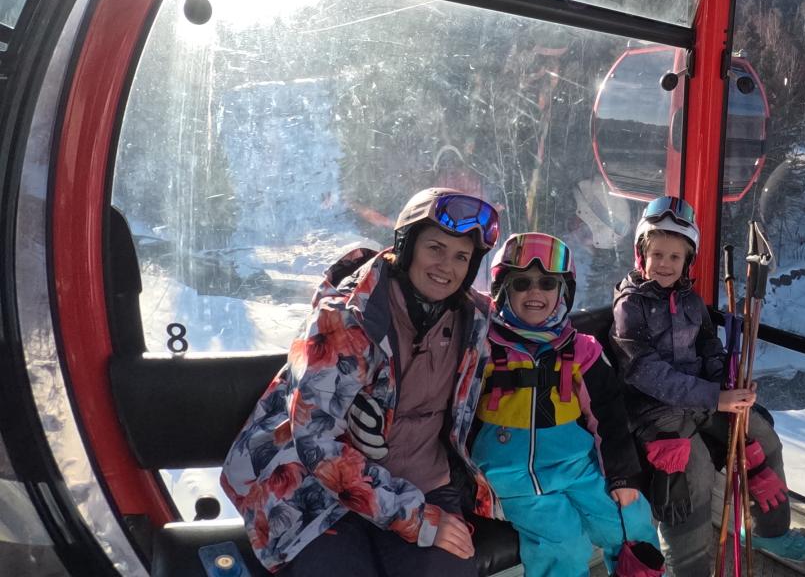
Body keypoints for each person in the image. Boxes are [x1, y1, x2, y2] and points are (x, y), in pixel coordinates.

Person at [220, 188, 501, 574]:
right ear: (407, 247)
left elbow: (538, 329)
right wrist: (416, 519)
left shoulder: (474, 320)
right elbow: (314, 440)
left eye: (461, 257)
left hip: (423, 482)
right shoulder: (343, 320)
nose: (446, 266)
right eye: (435, 248)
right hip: (315, 489)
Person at [611, 195, 805, 575]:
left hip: (703, 401)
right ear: (642, 254)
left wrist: (728, 378)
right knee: (695, 469)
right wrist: (715, 396)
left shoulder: (690, 300)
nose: (665, 265)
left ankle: (769, 529)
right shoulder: (630, 306)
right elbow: (646, 372)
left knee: (762, 434)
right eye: (657, 255)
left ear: (688, 261)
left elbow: (707, 345)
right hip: (655, 414)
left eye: (675, 257)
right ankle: (687, 568)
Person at [471, 231, 661, 577]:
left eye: (547, 283)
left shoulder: (581, 351)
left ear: (562, 292)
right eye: (522, 283)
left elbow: (608, 415)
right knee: (564, 546)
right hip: (510, 476)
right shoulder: (483, 345)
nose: (535, 292)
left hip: (576, 466)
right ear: (502, 290)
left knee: (632, 521)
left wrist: (621, 475)